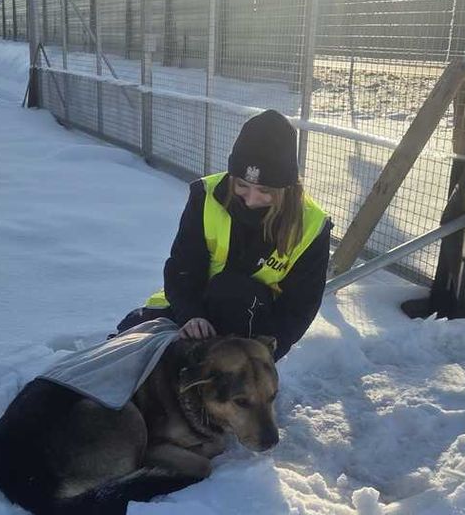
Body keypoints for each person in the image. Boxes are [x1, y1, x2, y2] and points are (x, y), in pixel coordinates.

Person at [116, 109, 332, 361]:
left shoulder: (312, 226)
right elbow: (182, 267)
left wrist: (264, 355)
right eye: (242, 184)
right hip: (195, 305)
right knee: (127, 337)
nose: (251, 199)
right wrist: (191, 315)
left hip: (251, 322)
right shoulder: (205, 195)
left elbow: (299, 307)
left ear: (286, 187)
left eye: (264, 190)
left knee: (231, 292)